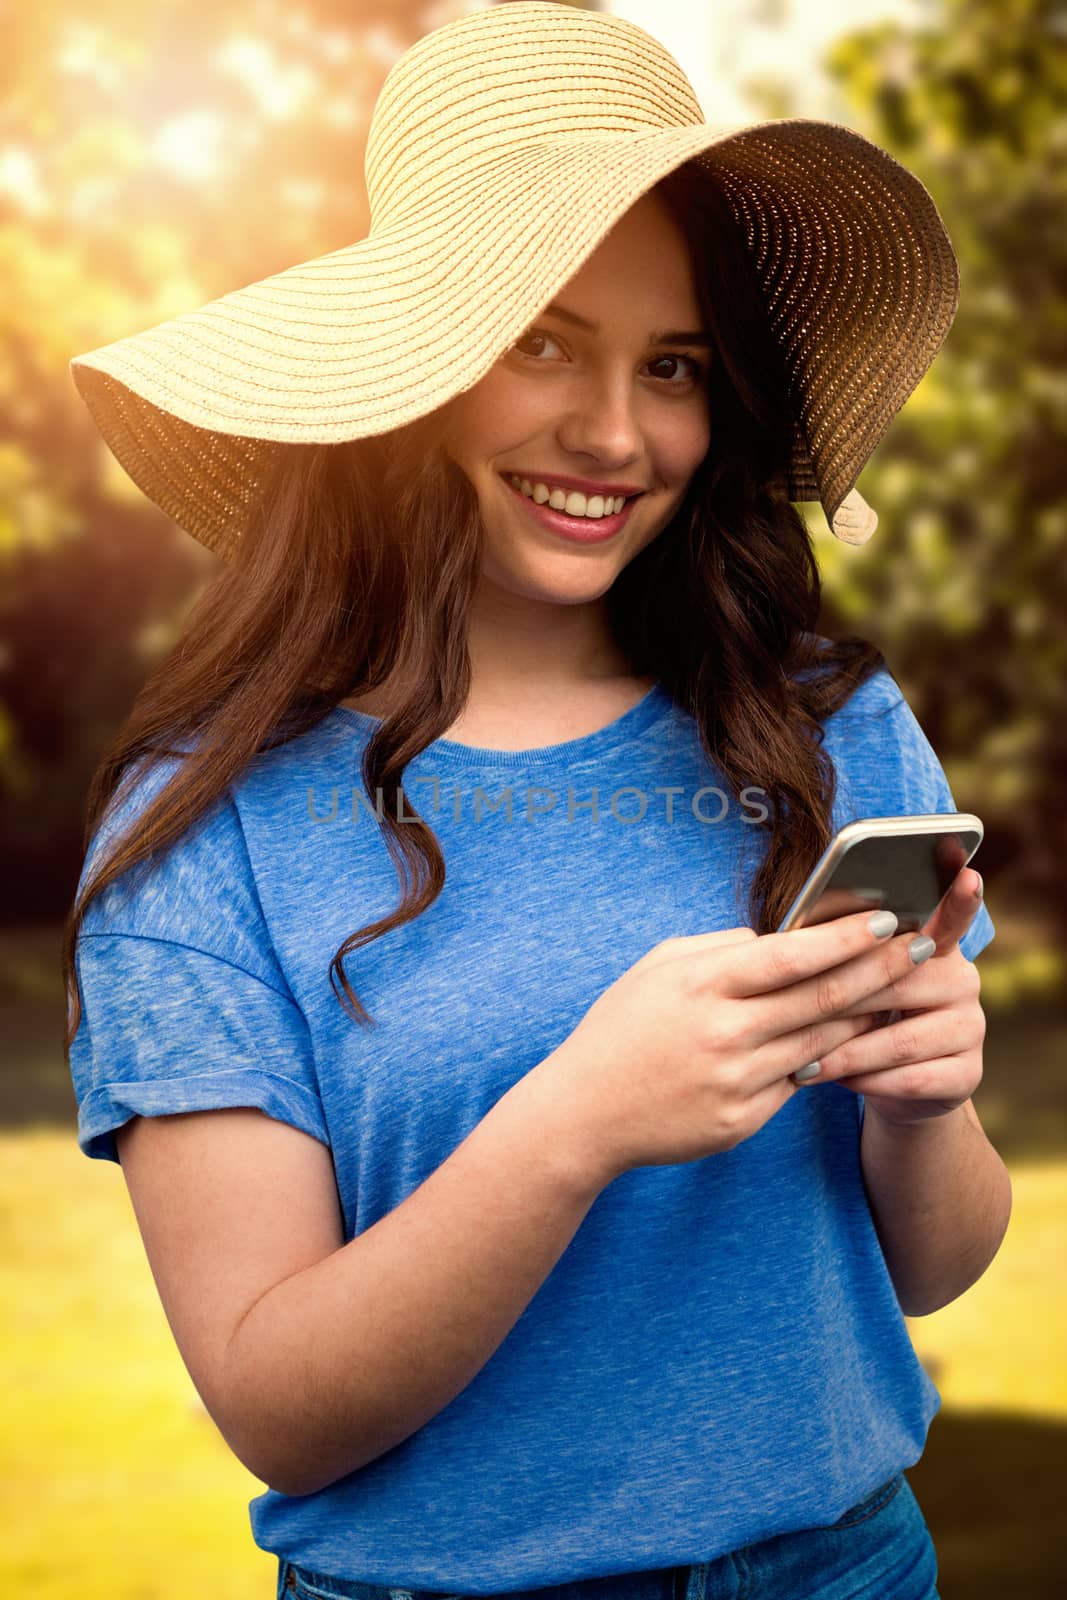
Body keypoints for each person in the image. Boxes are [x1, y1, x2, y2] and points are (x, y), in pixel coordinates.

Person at [62, 5, 1011, 1598]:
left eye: (677, 367)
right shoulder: (207, 822)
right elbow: (279, 1410)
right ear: (411, 366)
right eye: (541, 342)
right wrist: (574, 1123)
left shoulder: (828, 728)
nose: (617, 434)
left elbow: (935, 1266)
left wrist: (929, 1109)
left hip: (851, 1566)